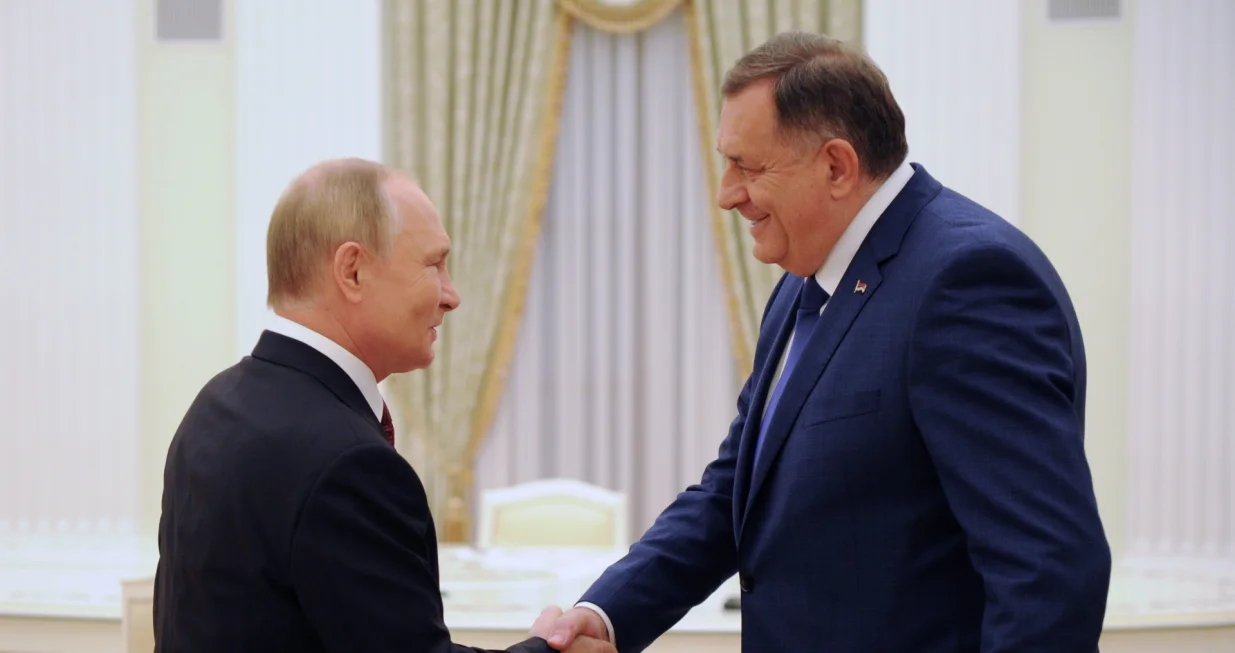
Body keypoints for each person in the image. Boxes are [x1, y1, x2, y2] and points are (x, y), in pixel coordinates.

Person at [545, 32, 1111, 653]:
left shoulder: (965, 281)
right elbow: (737, 491)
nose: (727, 193)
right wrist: (606, 614)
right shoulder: (802, 284)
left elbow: (1047, 568)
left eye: (748, 167)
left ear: (837, 166)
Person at [154, 159, 614, 653]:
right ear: (352, 271)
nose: (452, 295)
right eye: (434, 264)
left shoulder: (216, 404)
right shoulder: (347, 462)